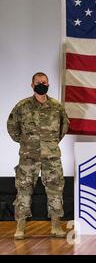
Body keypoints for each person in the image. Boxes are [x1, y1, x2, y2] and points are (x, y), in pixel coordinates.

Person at [7, 72, 70, 240]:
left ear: (48, 84)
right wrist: (26, 143)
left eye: (45, 82)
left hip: (51, 157)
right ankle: (20, 228)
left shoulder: (57, 107)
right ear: (32, 84)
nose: (42, 84)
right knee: (24, 190)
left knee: (55, 190)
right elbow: (12, 127)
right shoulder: (23, 106)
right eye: (38, 82)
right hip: (29, 157)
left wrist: (50, 144)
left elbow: (63, 128)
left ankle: (56, 227)